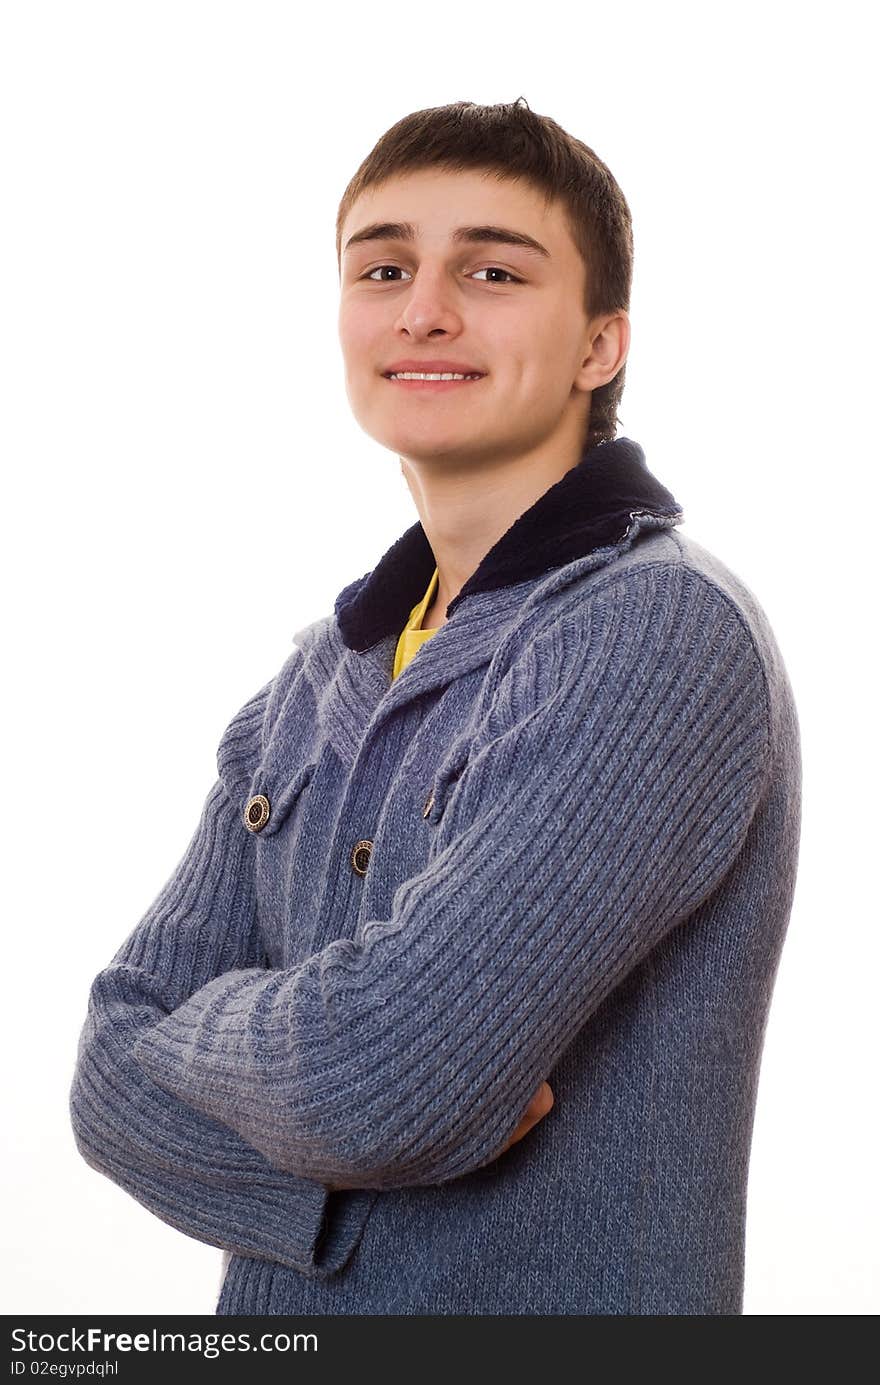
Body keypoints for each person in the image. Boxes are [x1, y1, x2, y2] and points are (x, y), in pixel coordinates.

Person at [69, 98, 802, 1316]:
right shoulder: (314, 678)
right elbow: (107, 1073)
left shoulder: (653, 633)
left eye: (493, 269)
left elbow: (378, 1079)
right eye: (386, 266)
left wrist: (245, 1051)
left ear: (598, 346)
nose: (424, 307)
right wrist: (357, 1131)